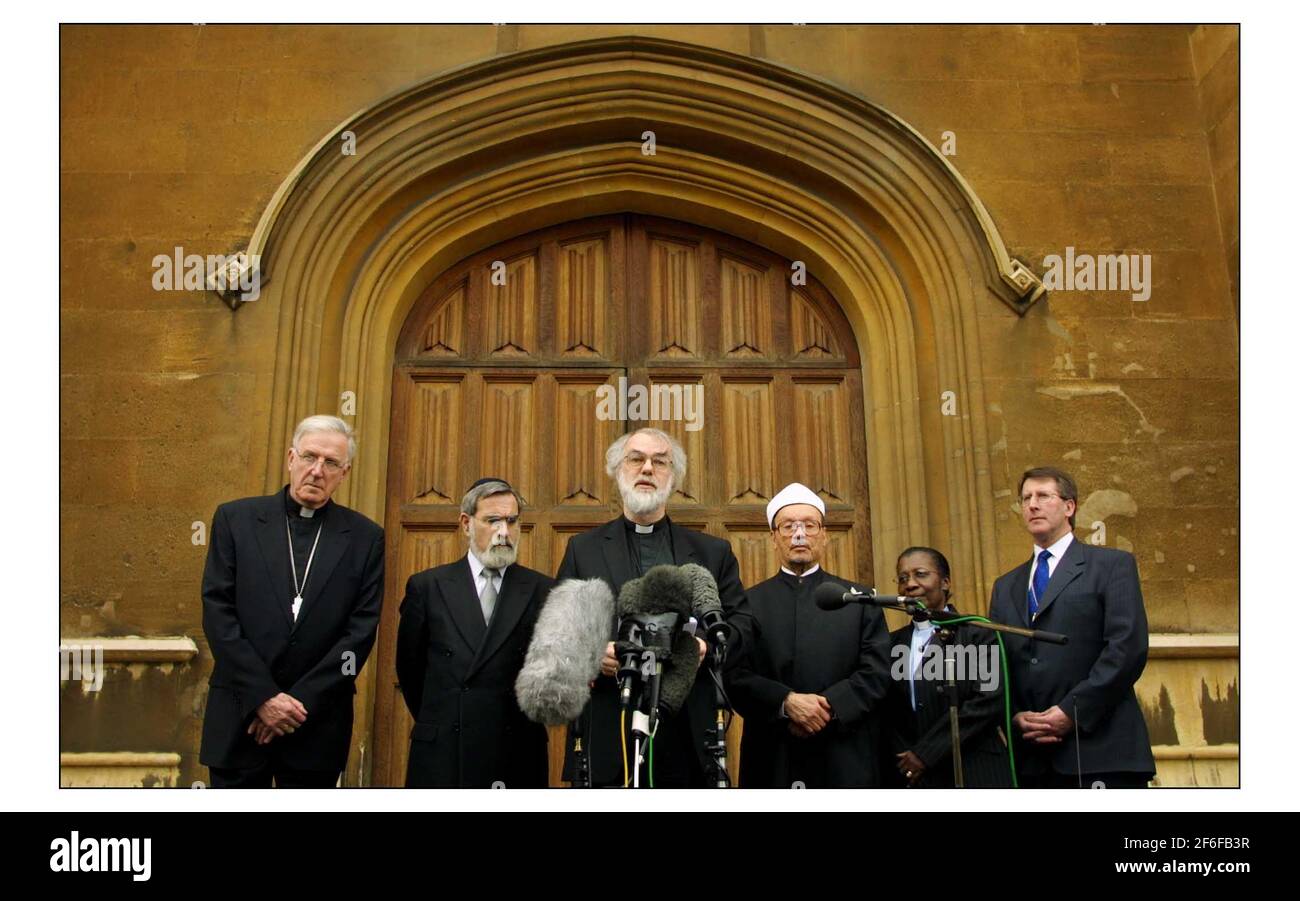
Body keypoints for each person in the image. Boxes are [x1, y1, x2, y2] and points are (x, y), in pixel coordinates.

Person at [555, 428, 748, 787]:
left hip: (688, 735)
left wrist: (706, 643)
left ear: (673, 477)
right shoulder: (584, 550)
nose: (647, 469)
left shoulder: (711, 552)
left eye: (660, 461)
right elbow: (558, 632)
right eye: (636, 459)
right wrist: (595, 653)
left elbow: (743, 625)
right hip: (608, 731)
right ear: (616, 470)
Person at [200, 415, 384, 788]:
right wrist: (264, 697)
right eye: (309, 457)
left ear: (344, 472)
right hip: (240, 718)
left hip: (316, 726)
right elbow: (218, 615)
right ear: (290, 458)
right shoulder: (236, 520)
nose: (317, 471)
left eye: (331, 463)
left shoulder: (365, 538)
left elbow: (359, 634)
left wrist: (295, 705)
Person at [989, 466, 1155, 788]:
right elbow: (999, 661)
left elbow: (1127, 648)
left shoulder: (1111, 566)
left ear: (1069, 506)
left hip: (1101, 751)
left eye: (1043, 496)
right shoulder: (1005, 586)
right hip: (1033, 761)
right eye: (1025, 499)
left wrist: (1071, 712)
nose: (1032, 505)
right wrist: (1013, 714)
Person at [725, 482, 891, 788]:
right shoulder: (746, 604)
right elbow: (734, 675)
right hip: (773, 756)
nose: (799, 534)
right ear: (774, 538)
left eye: (809, 525)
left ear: (825, 535)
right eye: (788, 526)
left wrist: (826, 708)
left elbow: (877, 671)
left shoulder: (861, 600)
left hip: (843, 755)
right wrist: (786, 703)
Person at [396, 478, 553, 788]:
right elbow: (410, 671)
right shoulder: (428, 587)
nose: (504, 532)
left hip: (516, 753)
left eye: (511, 520)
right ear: (466, 524)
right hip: (444, 754)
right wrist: (446, 719)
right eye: (492, 520)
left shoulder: (542, 589)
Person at [883, 547, 1011, 788]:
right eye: (902, 578)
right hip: (914, 778)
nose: (910, 584)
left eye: (920, 574)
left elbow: (988, 700)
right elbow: (888, 709)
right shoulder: (892, 643)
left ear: (945, 582)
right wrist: (905, 758)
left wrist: (925, 754)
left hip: (974, 770)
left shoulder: (978, 633)